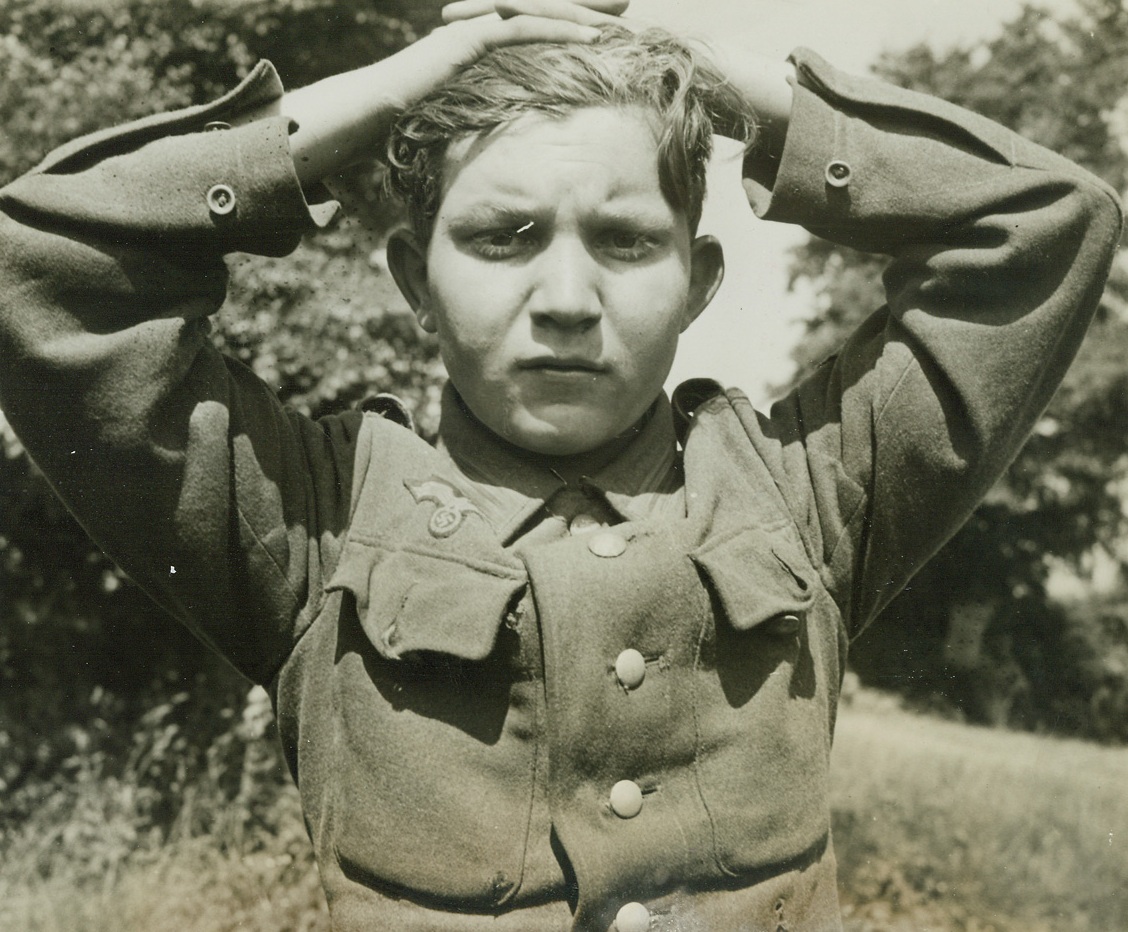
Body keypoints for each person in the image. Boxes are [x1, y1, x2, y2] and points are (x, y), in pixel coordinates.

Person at [0, 1, 1120, 929]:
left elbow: (1047, 227)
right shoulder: (311, 519)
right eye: (503, 237)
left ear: (699, 279)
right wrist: (389, 92)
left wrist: (724, 92)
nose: (570, 300)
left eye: (628, 242)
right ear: (411, 278)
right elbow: (44, 266)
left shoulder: (809, 493)